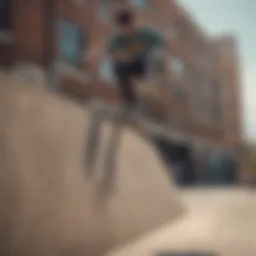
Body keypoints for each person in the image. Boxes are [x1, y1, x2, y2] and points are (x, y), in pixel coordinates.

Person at [86, 7, 168, 113]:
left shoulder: (146, 34)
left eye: (128, 29)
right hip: (130, 65)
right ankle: (130, 102)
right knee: (118, 63)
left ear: (133, 24)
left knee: (149, 55)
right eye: (122, 29)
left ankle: (150, 82)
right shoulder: (118, 38)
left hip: (145, 64)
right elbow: (106, 49)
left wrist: (166, 65)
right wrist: (94, 55)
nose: (125, 32)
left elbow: (165, 43)